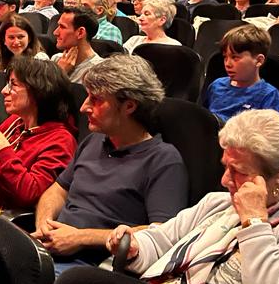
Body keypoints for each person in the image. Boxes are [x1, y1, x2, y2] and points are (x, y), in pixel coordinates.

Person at [107, 109, 279, 284]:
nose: (225, 180)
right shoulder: (217, 203)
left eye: (239, 172)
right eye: (226, 167)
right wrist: (137, 246)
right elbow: (162, 241)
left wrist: (254, 222)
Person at [32, 55, 187, 270]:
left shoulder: (163, 160)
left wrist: (80, 238)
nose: (84, 107)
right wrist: (44, 223)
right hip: (49, 251)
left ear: (129, 106)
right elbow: (57, 190)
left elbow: (162, 233)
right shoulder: (94, 141)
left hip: (94, 267)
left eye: (96, 100)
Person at [0, 56, 76, 211]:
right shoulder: (15, 121)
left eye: (13, 85)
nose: (4, 91)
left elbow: (28, 195)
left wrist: (2, 145)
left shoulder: (61, 140)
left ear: (38, 91)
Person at [202, 25, 279, 121]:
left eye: (235, 57)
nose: (228, 64)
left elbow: (270, 133)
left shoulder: (269, 96)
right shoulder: (216, 86)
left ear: (258, 61)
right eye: (225, 57)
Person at [51, 6, 104, 84]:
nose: (55, 32)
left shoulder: (99, 71)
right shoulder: (56, 59)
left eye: (62, 27)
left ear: (80, 32)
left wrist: (60, 74)